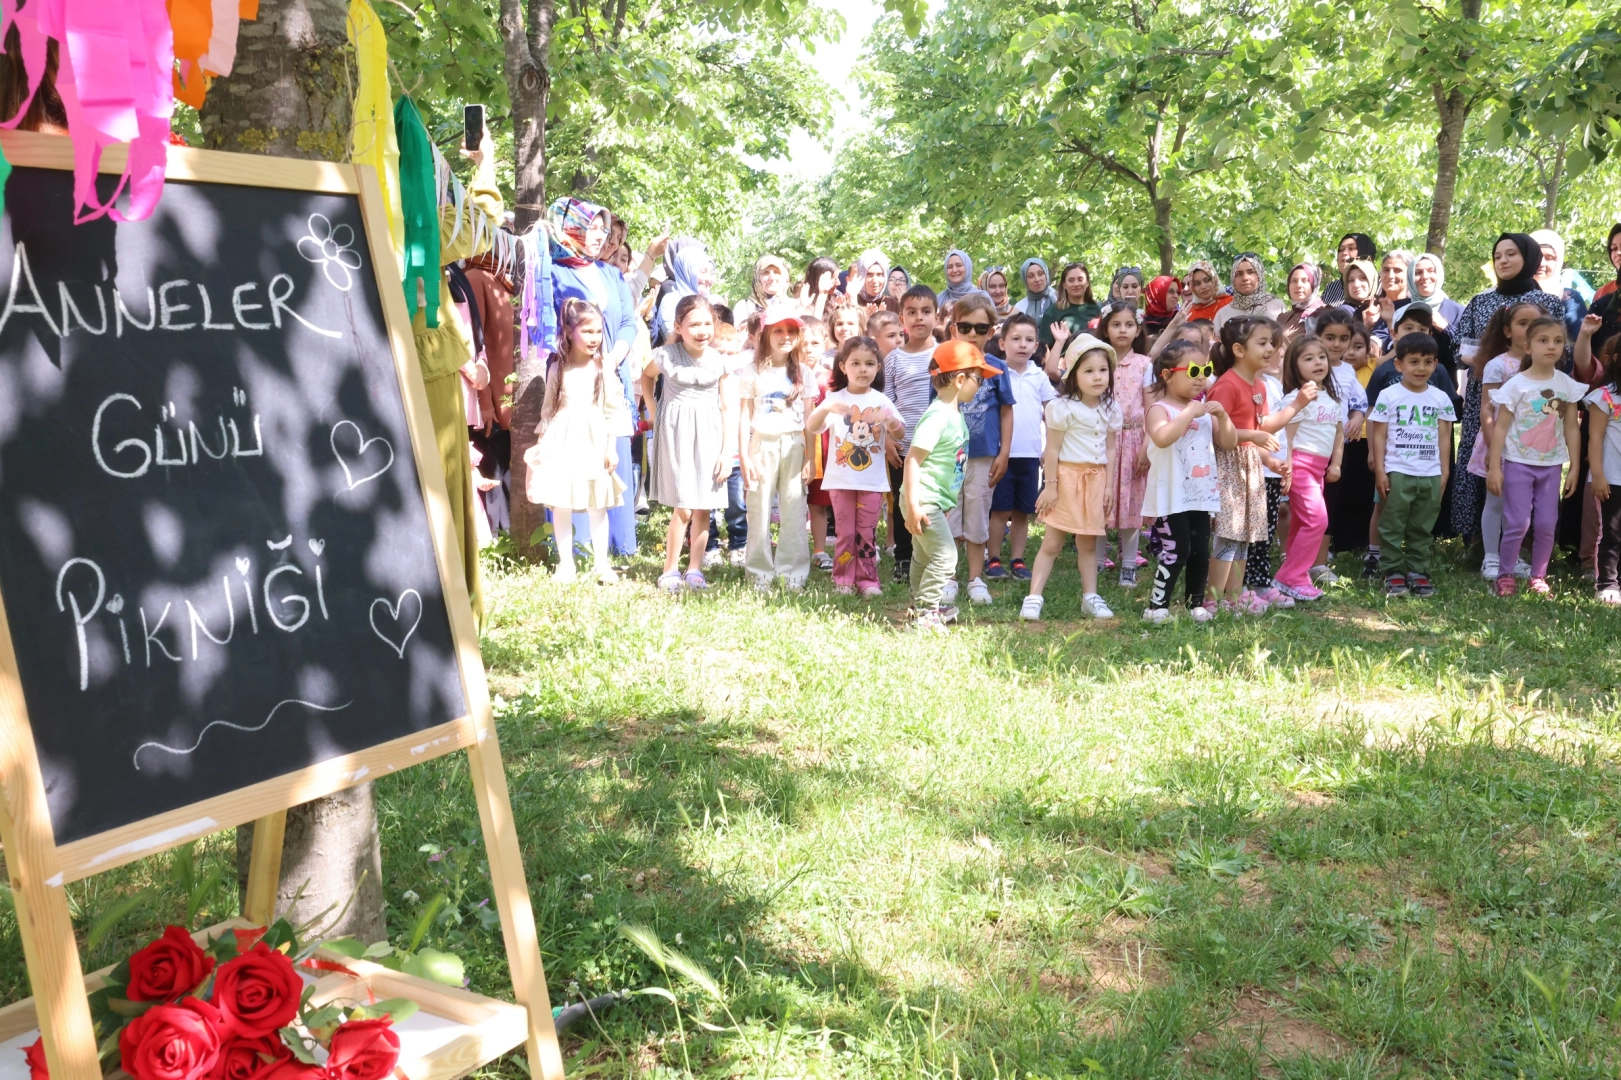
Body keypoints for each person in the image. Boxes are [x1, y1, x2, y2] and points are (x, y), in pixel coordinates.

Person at [540, 198, 643, 559]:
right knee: (574, 461)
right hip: (574, 380)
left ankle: (619, 545)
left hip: (612, 378)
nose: (600, 236)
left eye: (602, 228)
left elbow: (628, 322)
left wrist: (615, 356)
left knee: (611, 457)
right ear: (569, 228)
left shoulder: (611, 274)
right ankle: (578, 550)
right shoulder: (551, 271)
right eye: (592, 227)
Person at [523, 299, 628, 584]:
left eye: (598, 332)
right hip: (563, 440)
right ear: (569, 332)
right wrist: (542, 446)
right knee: (562, 503)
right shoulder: (558, 368)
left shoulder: (603, 368)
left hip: (594, 440)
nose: (595, 338)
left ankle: (601, 564)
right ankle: (565, 563)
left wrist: (610, 448)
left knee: (597, 502)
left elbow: (613, 410)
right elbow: (548, 411)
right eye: (588, 332)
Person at [1021, 333, 1121, 622]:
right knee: (1052, 542)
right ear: (1074, 374)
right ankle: (1034, 597)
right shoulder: (1061, 407)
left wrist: (1109, 486)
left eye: (1103, 370)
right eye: (1088, 371)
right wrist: (1050, 486)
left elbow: (1111, 450)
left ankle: (1090, 597)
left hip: (1096, 480)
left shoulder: (1111, 408)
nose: (1097, 377)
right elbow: (1051, 451)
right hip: (1066, 479)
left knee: (1088, 544)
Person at [904, 341, 1002, 631]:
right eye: (978, 379)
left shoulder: (953, 412)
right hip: (922, 499)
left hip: (933, 500)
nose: (981, 385)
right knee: (946, 557)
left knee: (923, 557)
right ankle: (925, 615)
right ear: (960, 380)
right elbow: (912, 461)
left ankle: (919, 606)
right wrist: (913, 506)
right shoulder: (938, 416)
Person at [1487, 317, 1585, 597]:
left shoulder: (1567, 385)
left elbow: (1570, 428)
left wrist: (1575, 466)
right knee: (1517, 522)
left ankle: (1538, 576)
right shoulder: (1516, 385)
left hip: (1551, 466)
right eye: (1543, 341)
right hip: (1518, 463)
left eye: (1557, 341)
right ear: (1527, 346)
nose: (1551, 346)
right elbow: (1500, 427)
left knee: (1545, 523)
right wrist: (1495, 467)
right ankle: (1505, 575)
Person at [645, 295, 734, 591]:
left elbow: (726, 408)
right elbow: (646, 378)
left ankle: (695, 569)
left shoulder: (719, 361)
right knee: (683, 506)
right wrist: (654, 408)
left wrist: (726, 451)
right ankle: (670, 569)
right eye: (694, 324)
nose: (702, 331)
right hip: (677, 433)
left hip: (709, 434)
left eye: (707, 323)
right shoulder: (666, 355)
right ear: (679, 326)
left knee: (703, 507)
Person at [1141, 340, 1232, 623]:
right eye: (1194, 370)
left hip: (1200, 496)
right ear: (1167, 375)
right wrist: (1189, 413)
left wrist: (1223, 417)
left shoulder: (1203, 410)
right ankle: (1157, 607)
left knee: (1199, 552)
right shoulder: (1161, 409)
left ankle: (1195, 604)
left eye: (1205, 369)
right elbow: (1162, 437)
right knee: (1176, 550)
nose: (1202, 377)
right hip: (1171, 497)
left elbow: (1228, 442)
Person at [808, 336, 905, 597]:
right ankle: (843, 580)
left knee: (866, 533)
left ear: (878, 368)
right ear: (843, 366)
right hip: (840, 482)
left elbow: (899, 434)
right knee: (844, 533)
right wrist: (825, 405)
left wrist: (889, 420)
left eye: (870, 363)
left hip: (871, 483)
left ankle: (867, 579)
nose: (863, 369)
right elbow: (813, 426)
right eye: (856, 363)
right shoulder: (835, 398)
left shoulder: (882, 400)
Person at [1206, 316, 1291, 614]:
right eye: (1263, 342)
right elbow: (1219, 436)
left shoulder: (1261, 386)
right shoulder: (1226, 385)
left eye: (1272, 343)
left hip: (1251, 466)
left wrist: (1272, 460)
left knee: (1244, 534)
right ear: (1239, 350)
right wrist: (1254, 435)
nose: (1271, 348)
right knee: (1229, 534)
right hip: (1229, 467)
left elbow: (1261, 428)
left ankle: (1235, 594)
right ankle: (1214, 597)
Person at [1369, 333, 1456, 598]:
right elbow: (1379, 434)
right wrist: (1381, 471)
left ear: (1435, 364)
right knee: (1392, 523)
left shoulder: (1441, 398)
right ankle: (1392, 572)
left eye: (1427, 362)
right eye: (1414, 362)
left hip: (1430, 472)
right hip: (1398, 471)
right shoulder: (1388, 395)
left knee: (1422, 524)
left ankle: (1418, 571)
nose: (1420, 368)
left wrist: (1444, 471)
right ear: (1399, 364)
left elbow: (1445, 437)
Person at [1464, 300, 1542, 580]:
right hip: (1500, 442)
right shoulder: (1499, 365)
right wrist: (1491, 446)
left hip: (1530, 445)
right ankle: (1491, 557)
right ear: (1508, 331)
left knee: (1521, 504)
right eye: (1523, 324)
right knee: (1496, 502)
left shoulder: (1544, 367)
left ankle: (1513, 554)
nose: (1529, 330)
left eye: (1535, 325)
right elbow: (1487, 407)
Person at [739, 302, 814, 591]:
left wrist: (811, 456)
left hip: (794, 443)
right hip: (762, 443)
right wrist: (744, 454)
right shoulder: (752, 370)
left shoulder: (803, 373)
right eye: (779, 330)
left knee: (794, 507)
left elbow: (810, 419)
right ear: (766, 334)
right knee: (758, 507)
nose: (785, 336)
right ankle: (759, 574)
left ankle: (792, 573)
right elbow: (744, 414)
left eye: (791, 330)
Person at [945, 293, 1014, 605]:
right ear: (953, 329)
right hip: (948, 455)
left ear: (993, 330)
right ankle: (947, 578)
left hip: (985, 455)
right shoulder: (942, 364)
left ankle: (975, 578)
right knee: (949, 515)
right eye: (965, 327)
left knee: (976, 514)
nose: (972, 334)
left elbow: (1006, 411)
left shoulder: (997, 367)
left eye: (981, 328)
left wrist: (1004, 453)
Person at [1274, 335, 1344, 601]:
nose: (1318, 362)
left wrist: (1336, 463)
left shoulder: (1333, 399)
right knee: (1318, 520)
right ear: (1294, 365)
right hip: (1300, 466)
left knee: (1303, 522)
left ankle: (1294, 576)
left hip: (1320, 469)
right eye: (1308, 358)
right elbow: (1287, 438)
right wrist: (1287, 468)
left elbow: (1339, 434)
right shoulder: (1296, 399)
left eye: (1321, 357)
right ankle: (1289, 576)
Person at [986, 313, 1053, 582]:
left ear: (1036, 346)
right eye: (1015, 339)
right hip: (1003, 455)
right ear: (1002, 343)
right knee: (1000, 510)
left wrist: (1050, 448)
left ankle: (1017, 559)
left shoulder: (1039, 376)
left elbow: (1052, 410)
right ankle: (992, 559)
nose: (1022, 345)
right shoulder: (996, 373)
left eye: (1028, 340)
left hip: (1030, 456)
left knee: (1022, 512)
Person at [885, 285, 942, 581]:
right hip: (905, 448)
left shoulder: (944, 354)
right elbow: (886, 403)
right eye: (912, 312)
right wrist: (888, 439)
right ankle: (904, 557)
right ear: (902, 318)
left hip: (938, 448)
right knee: (904, 502)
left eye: (926, 312)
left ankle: (934, 556)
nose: (919, 318)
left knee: (936, 502)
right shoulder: (894, 358)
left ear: (937, 315)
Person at [1096, 301, 1152, 587]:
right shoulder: (1096, 361)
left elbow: (1152, 406)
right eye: (1116, 324)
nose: (1122, 330)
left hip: (1133, 441)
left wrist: (1147, 446)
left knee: (1131, 504)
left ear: (1137, 328)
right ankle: (1095, 559)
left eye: (1129, 324)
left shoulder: (1144, 364)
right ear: (1105, 329)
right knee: (1099, 500)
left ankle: (1128, 564)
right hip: (1100, 442)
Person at [1312, 308, 1369, 583]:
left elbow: (1359, 403)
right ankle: (1295, 557)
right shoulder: (1307, 365)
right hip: (1308, 446)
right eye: (1330, 337)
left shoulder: (1347, 371)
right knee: (1305, 505)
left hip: (1337, 449)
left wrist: (1357, 418)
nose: (1336, 345)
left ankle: (1319, 563)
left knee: (1327, 506)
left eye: (1343, 339)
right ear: (1317, 336)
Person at [1584, 340, 1621, 604]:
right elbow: (1594, 439)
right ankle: (1607, 583)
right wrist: (1597, 475)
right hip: (1611, 478)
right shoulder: (1605, 396)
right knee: (1611, 532)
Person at [1530, 229, 1588, 346]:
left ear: (1559, 260)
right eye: (1536, 256)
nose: (1541, 263)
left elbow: (1577, 344)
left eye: (1549, 257)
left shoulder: (1570, 299)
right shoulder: (1511, 294)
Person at [652, 240, 715, 346]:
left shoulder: (713, 301)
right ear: (687, 271)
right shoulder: (671, 301)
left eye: (712, 273)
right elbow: (672, 336)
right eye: (703, 271)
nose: (708, 279)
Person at [1213, 253, 1285, 330]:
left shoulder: (1276, 306)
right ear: (1233, 279)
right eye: (1239, 274)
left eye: (1250, 272)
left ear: (1259, 275)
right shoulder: (1223, 314)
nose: (1245, 278)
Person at [1039, 262, 1101, 346]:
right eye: (1071, 280)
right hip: (1063, 358)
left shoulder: (1096, 309)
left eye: (1080, 279)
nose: (1076, 284)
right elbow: (1044, 348)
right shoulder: (1053, 312)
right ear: (1064, 285)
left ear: (1087, 283)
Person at [1407, 252, 1462, 330]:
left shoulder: (1457, 311)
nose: (1425, 277)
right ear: (1410, 277)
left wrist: (1445, 328)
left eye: (1431, 271)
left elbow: (1466, 341)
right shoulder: (1401, 309)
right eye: (1418, 272)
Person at [732, 254, 791, 326]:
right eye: (765, 273)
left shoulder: (792, 306)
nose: (771, 278)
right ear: (757, 278)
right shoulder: (744, 307)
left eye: (776, 272)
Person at [1322, 232, 1376, 306]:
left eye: (1351, 248)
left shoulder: (1381, 286)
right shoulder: (1331, 288)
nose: (1344, 253)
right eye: (1341, 249)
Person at [1277, 262, 1325, 342]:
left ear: (1314, 284)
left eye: (1305, 280)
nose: (1298, 285)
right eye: (1294, 281)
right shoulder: (1282, 318)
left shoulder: (1322, 315)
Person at [798, 256, 840, 322]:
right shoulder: (804, 306)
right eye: (834, 279)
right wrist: (822, 294)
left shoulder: (834, 300)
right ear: (819, 280)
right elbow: (815, 328)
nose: (839, 283)